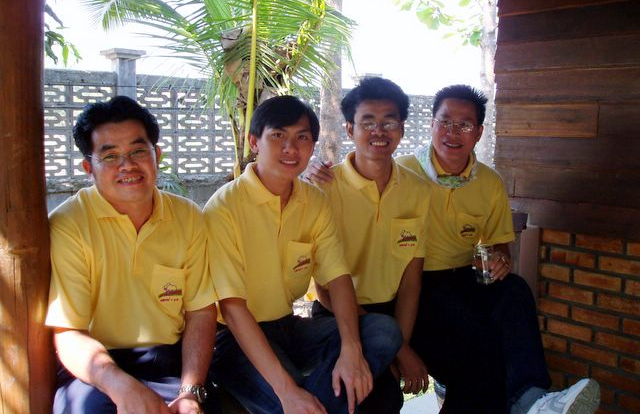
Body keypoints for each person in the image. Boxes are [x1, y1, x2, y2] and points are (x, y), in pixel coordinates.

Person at [307, 85, 600, 414]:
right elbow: (328, 284)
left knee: (509, 300)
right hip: (381, 299)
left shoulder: (448, 185)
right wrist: (310, 171)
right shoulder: (368, 179)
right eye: (445, 122)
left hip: (441, 288)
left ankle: (532, 398)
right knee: (466, 359)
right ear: (431, 124)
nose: (452, 132)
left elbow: (489, 247)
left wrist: (500, 259)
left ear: (479, 132)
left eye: (464, 125)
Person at [203, 95, 402, 414]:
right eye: (278, 135)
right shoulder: (224, 209)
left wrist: (351, 352)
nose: (291, 148)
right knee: (298, 395)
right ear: (254, 142)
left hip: (290, 328)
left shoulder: (314, 201)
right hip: (234, 339)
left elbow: (337, 277)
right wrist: (287, 390)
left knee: (382, 331)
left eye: (302, 137)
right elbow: (232, 307)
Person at [45, 96, 219, 414]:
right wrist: (120, 386)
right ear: (89, 168)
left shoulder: (188, 217)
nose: (127, 165)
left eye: (138, 151)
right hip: (97, 368)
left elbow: (201, 312)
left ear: (157, 155)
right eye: (110, 156)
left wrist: (190, 391)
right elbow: (69, 332)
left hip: (169, 361)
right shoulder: (69, 224)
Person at [308, 77, 431, 413]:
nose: (379, 131)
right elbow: (325, 290)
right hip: (337, 315)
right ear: (350, 129)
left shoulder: (419, 191)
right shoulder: (325, 188)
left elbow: (411, 280)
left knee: (388, 397)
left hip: (392, 314)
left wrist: (399, 344)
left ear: (402, 129)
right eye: (367, 122)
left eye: (389, 122)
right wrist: (400, 351)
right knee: (363, 397)